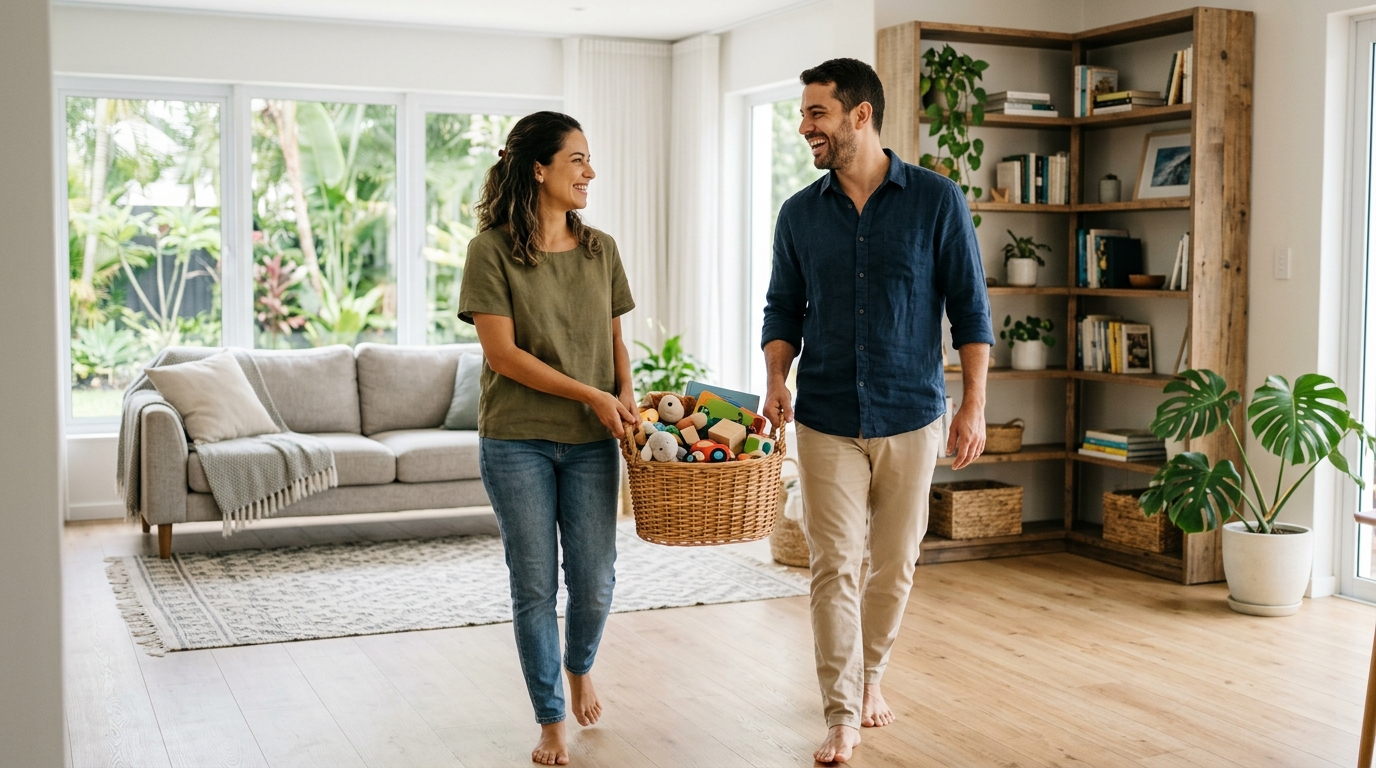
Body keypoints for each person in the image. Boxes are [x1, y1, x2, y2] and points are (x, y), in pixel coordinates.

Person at [760, 59, 994, 764]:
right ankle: (841, 715)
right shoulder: (800, 213)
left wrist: (974, 405)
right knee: (835, 564)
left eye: (817, 113)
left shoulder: (936, 200)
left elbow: (971, 309)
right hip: (826, 413)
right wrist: (775, 373)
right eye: (804, 114)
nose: (805, 128)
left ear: (861, 115)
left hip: (911, 411)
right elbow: (782, 307)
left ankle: (872, 679)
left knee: (894, 564)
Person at [458, 111, 639, 767]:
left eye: (589, 160)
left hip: (591, 443)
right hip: (516, 440)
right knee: (534, 587)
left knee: (593, 581)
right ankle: (550, 718)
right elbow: (502, 355)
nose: (590, 172)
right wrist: (590, 394)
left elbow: (616, 340)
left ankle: (580, 665)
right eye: (577, 160)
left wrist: (624, 395)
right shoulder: (491, 251)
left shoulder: (601, 250)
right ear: (539, 168)